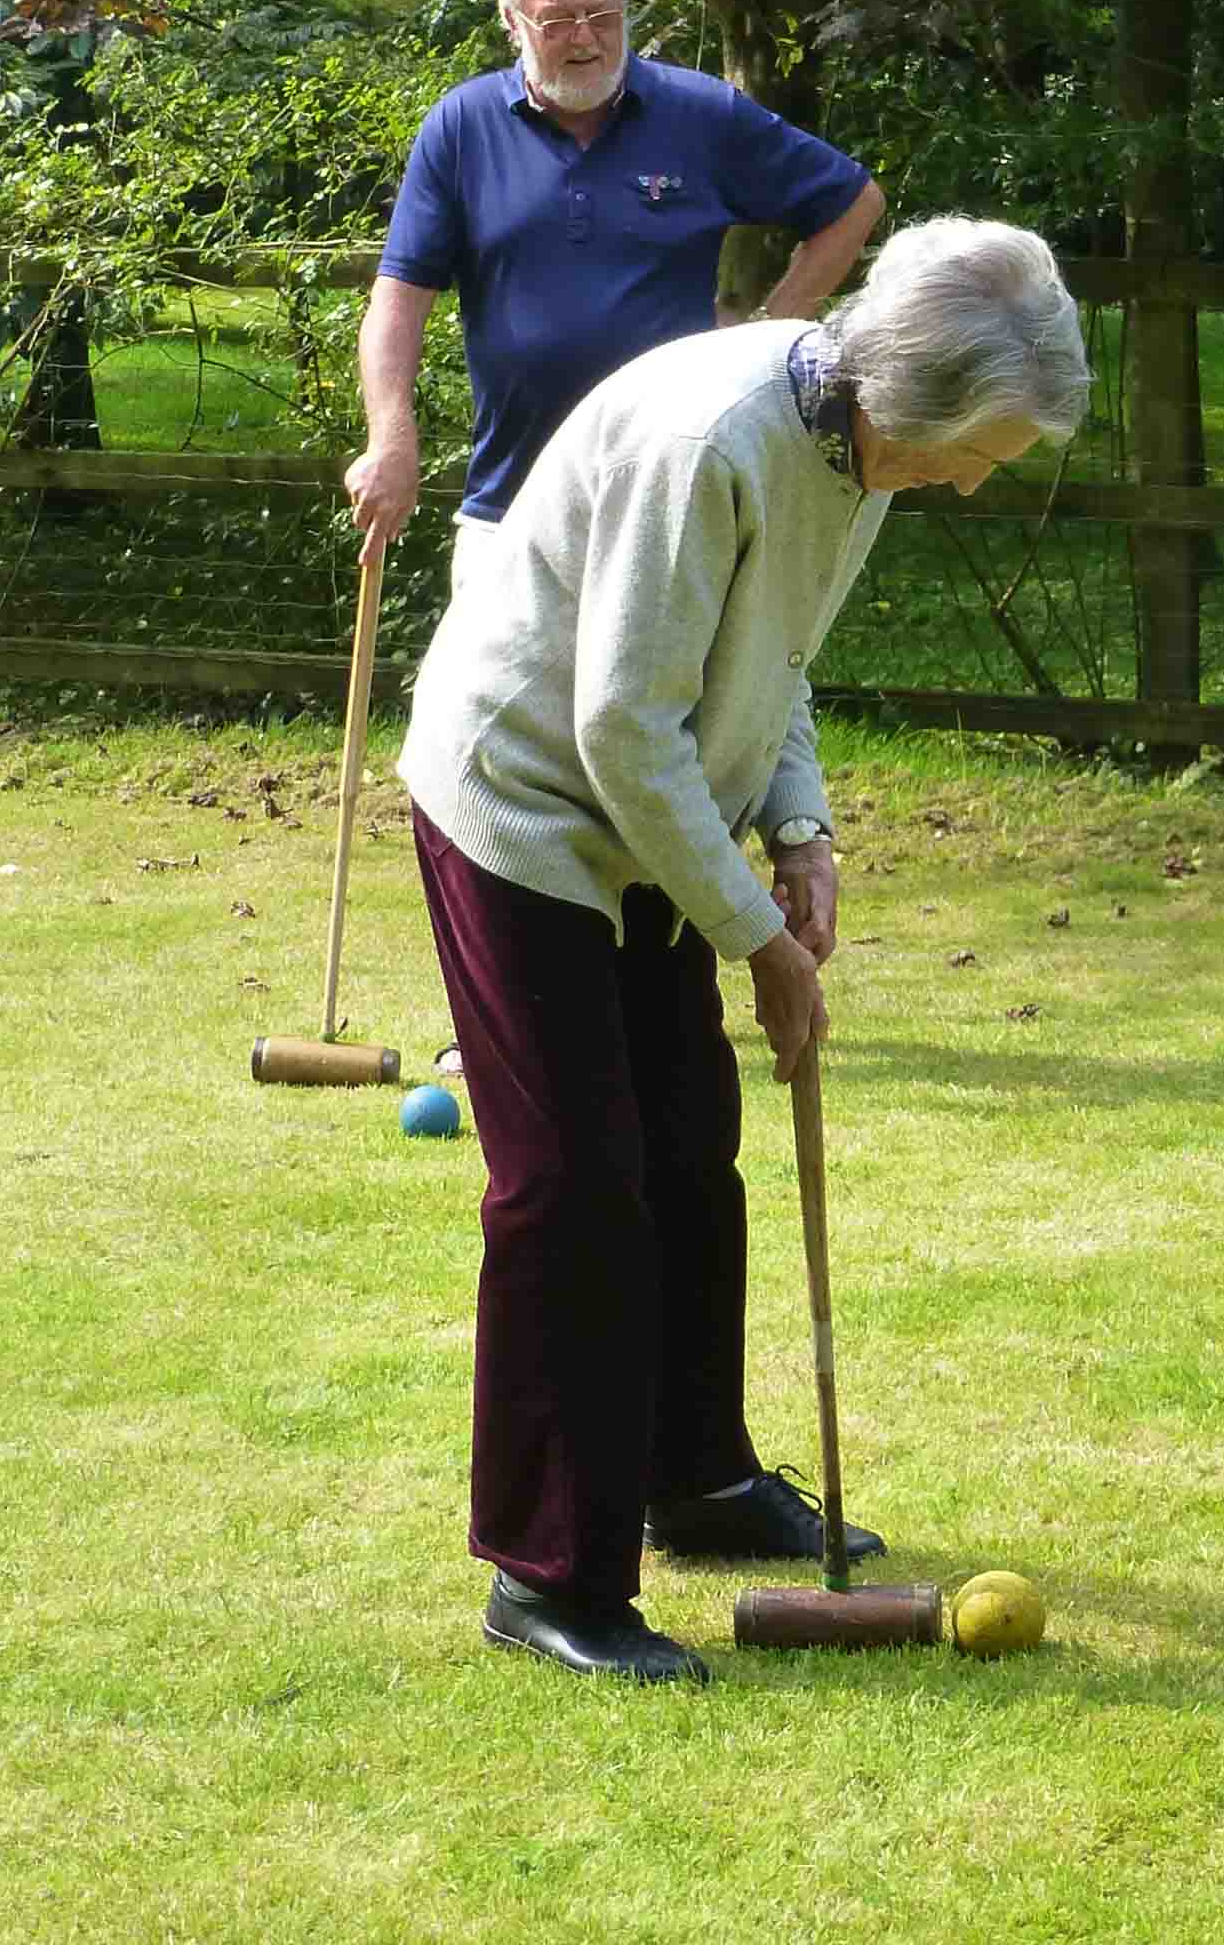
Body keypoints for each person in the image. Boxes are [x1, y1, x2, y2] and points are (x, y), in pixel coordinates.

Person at [398, 217, 1089, 1683]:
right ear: (908, 391)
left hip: (654, 812)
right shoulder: (711, 441)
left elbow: (772, 664)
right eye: (980, 450)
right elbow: (619, 727)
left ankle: (694, 1480)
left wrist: (804, 832)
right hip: (525, 807)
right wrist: (760, 937)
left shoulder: (864, 448)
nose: (974, 481)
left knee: (690, 1148)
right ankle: (548, 1576)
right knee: (577, 1186)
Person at [343, 0, 887, 579]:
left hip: (671, 499)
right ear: (512, 23)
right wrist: (390, 438)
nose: (586, 40)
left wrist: (764, 335)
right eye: (558, 20)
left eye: (603, 17)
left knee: (652, 689)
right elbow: (398, 300)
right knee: (491, 689)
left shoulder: (701, 113)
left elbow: (853, 202)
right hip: (510, 503)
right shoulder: (463, 126)